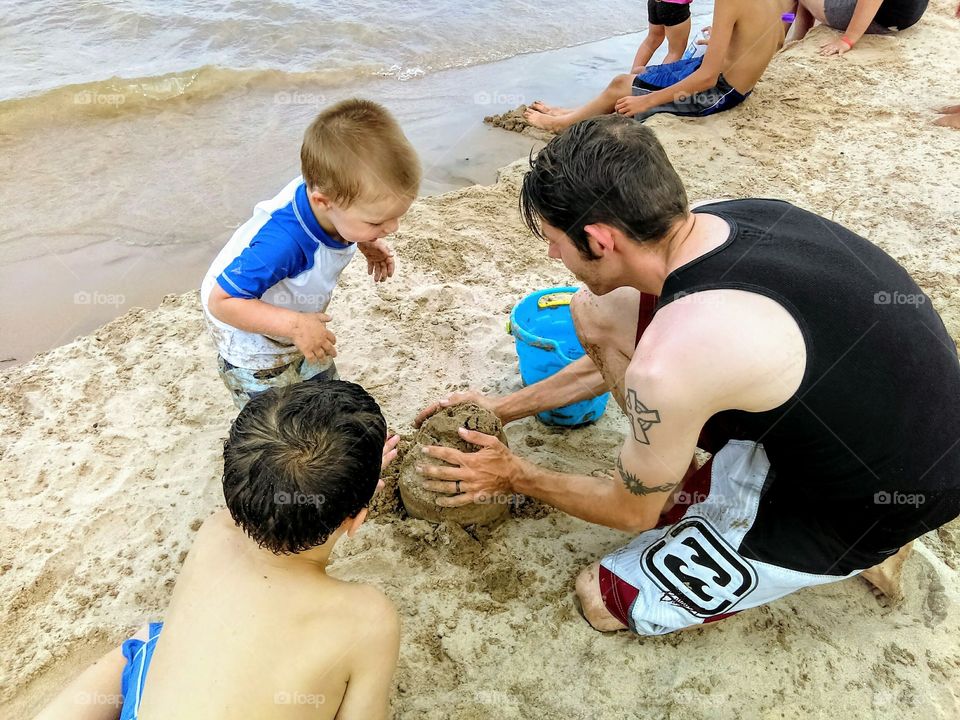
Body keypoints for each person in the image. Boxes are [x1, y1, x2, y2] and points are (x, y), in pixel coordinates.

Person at [415, 116, 960, 636]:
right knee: (598, 311)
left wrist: (513, 474)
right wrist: (498, 407)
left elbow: (630, 512)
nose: (554, 252)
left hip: (876, 497)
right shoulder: (732, 216)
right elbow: (631, 352)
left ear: (601, 240)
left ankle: (865, 552)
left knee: (603, 599)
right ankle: (695, 465)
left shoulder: (672, 364)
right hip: (890, 409)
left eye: (555, 240)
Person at [35, 380, 401, 720]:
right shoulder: (370, 618)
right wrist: (354, 481)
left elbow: (273, 483)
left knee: (149, 639)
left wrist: (346, 481)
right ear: (358, 519)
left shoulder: (216, 531)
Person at [201, 98, 421, 409]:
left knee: (321, 397)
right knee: (275, 421)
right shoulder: (284, 243)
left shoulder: (336, 201)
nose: (393, 228)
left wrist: (366, 239)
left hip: (291, 319)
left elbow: (344, 223)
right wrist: (294, 326)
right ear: (322, 201)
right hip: (251, 337)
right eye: (377, 221)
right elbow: (222, 301)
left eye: (396, 216)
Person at [523, 0, 794, 131]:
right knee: (642, 74)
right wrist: (733, 35)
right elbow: (780, 34)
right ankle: (571, 112)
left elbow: (707, 79)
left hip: (720, 91)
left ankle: (560, 124)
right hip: (730, 78)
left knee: (622, 85)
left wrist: (647, 102)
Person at [790, 0, 929, 55]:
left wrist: (847, 40)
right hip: (909, 14)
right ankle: (797, 34)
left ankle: (798, 36)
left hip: (881, 18)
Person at [631, 0, 695, 72]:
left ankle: (630, 79)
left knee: (652, 40)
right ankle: (657, 80)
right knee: (675, 52)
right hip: (675, 5)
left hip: (655, 3)